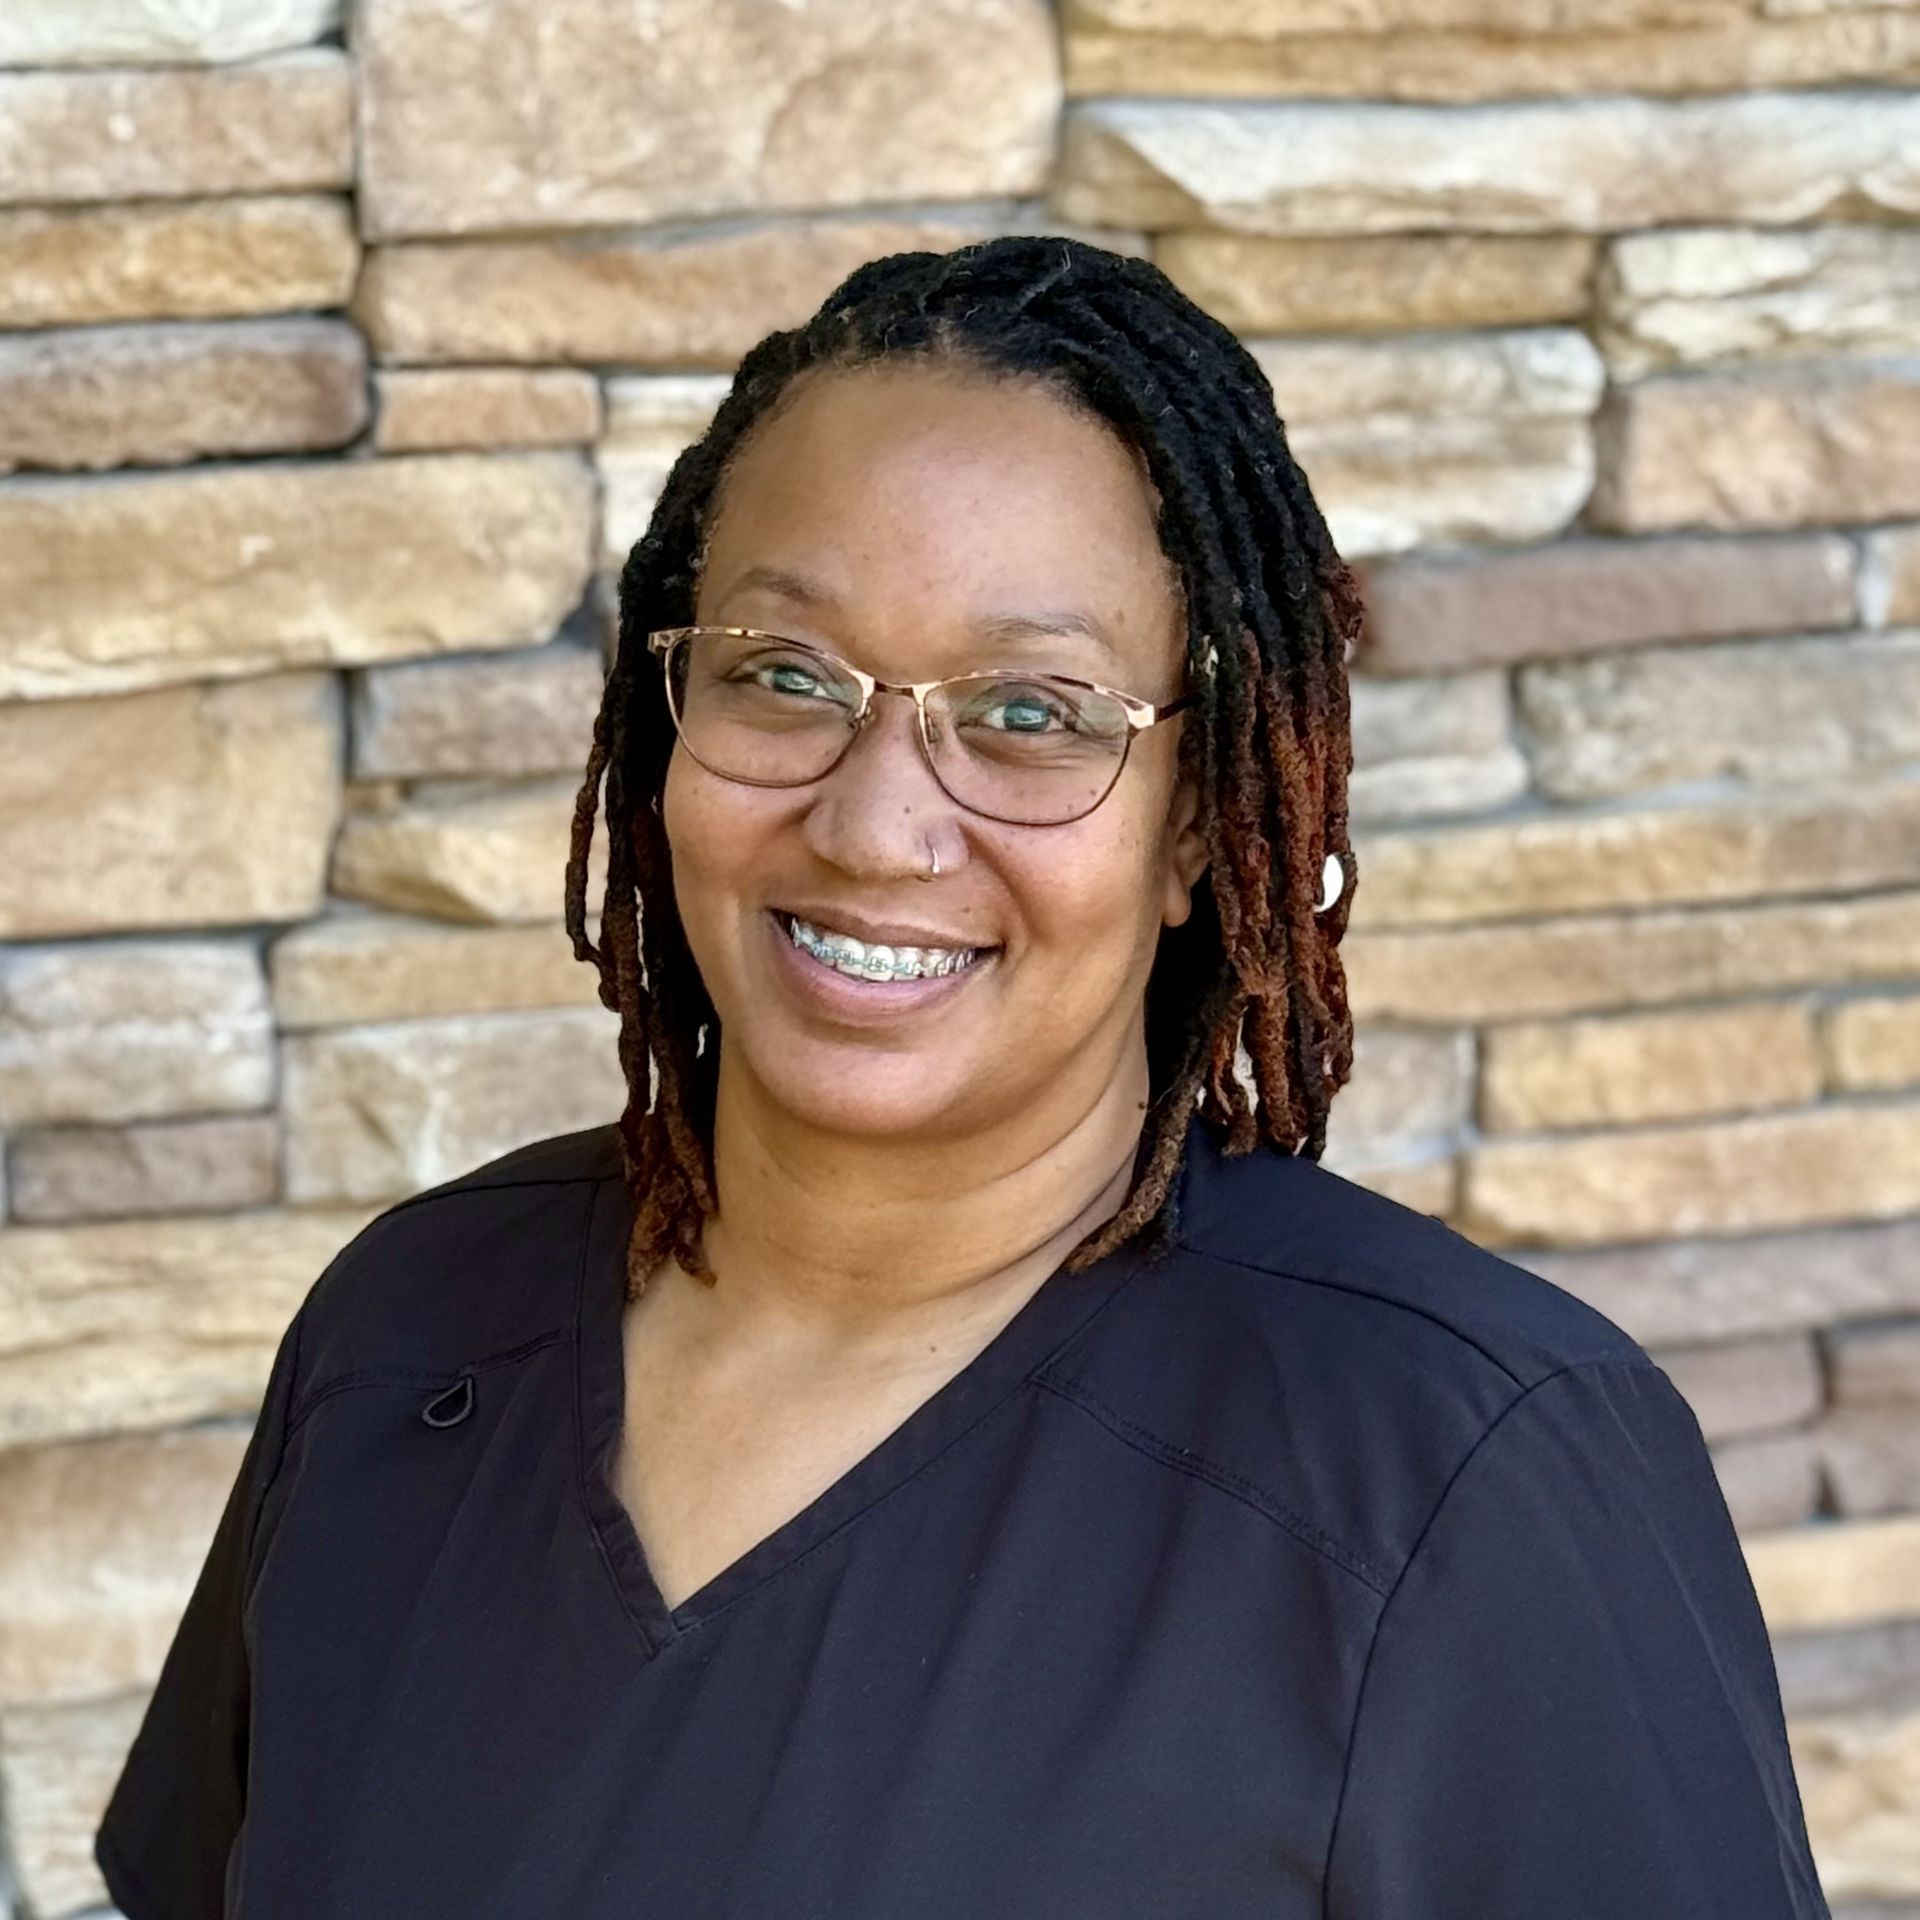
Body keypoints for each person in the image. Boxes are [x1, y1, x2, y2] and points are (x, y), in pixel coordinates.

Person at [93, 236, 1832, 1918]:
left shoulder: (1460, 1480)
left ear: (1199, 827)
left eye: (1032, 712)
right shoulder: (413, 1333)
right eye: (785, 676)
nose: (874, 822)